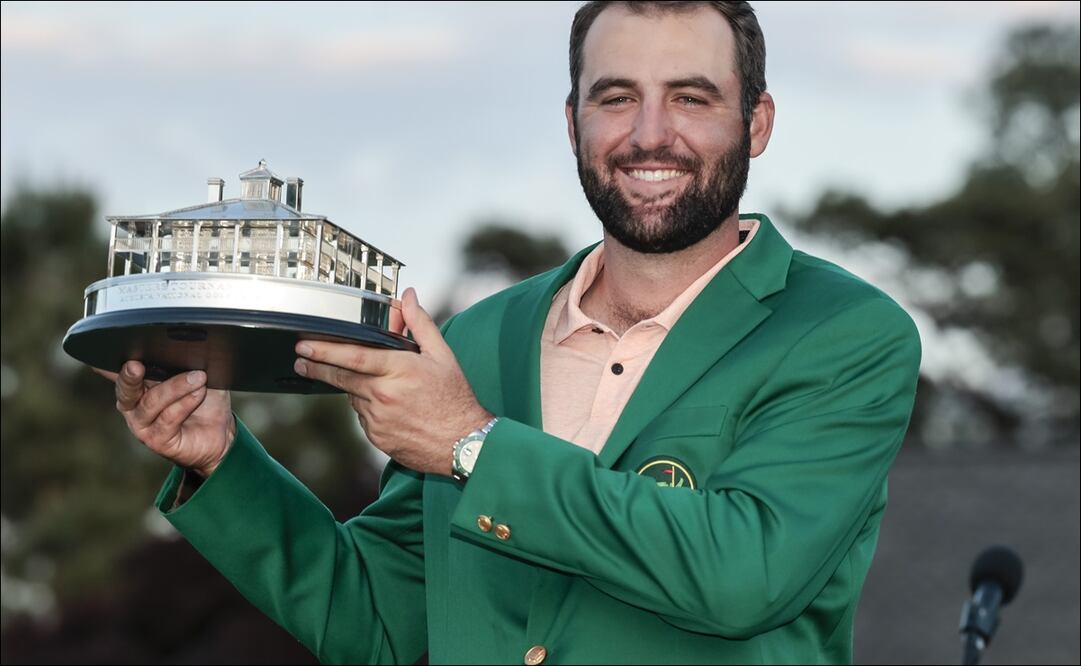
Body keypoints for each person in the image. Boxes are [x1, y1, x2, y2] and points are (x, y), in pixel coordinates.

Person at [102, 2, 921, 663]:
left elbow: (745, 575)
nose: (647, 133)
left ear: (757, 121)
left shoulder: (844, 333)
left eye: (691, 97)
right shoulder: (481, 337)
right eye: (615, 97)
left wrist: (472, 447)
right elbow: (380, 623)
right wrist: (222, 463)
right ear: (573, 123)